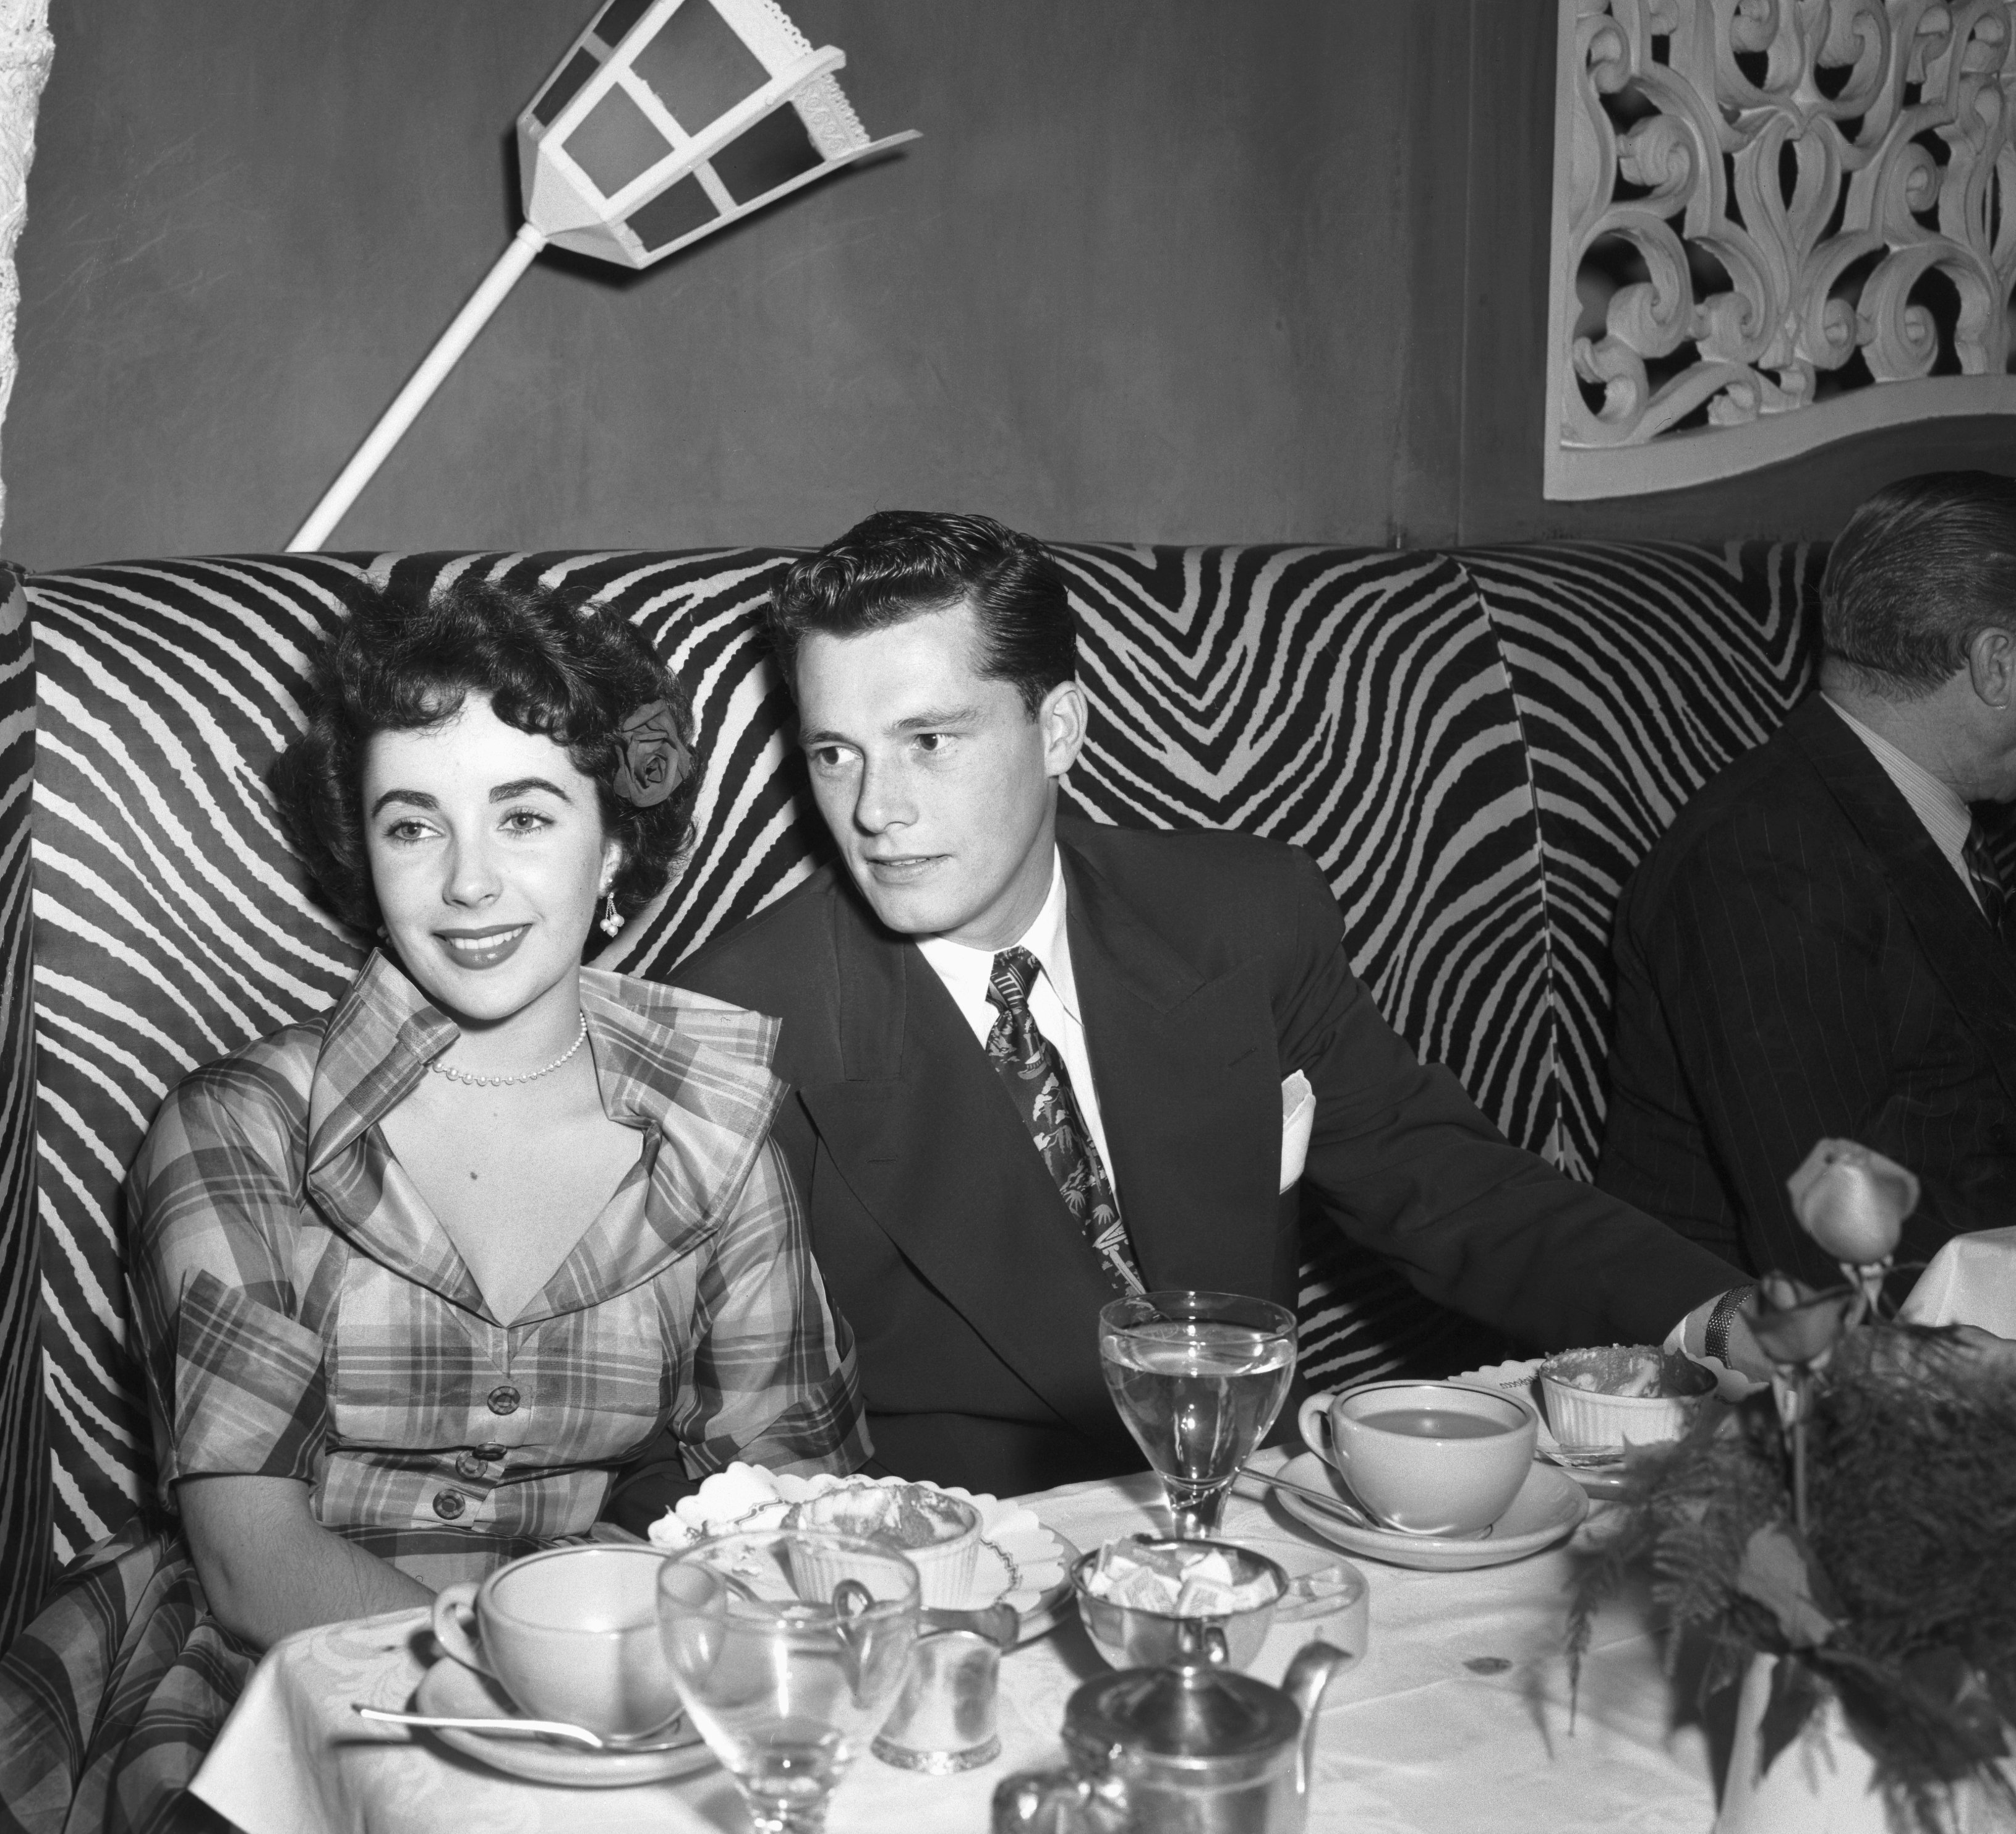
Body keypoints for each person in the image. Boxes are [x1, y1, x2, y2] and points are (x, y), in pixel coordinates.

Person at [0, 568, 863, 1834]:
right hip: (267, 1688)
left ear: (616, 842)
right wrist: (538, 1698)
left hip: (605, 1685)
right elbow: (252, 1555)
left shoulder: (717, 1121)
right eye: (414, 824)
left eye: (524, 817)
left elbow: (783, 1492)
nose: (468, 882)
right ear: (363, 852)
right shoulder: (235, 1125)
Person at [670, 510, 1753, 1496]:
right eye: (835, 755)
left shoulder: (1240, 916)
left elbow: (1448, 1185)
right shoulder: (737, 1027)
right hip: (953, 1554)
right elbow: (707, 1426)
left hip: (1254, 1494)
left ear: (1058, 730)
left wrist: (1714, 1316)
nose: (876, 810)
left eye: (929, 742)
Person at [1598, 471, 2016, 1282]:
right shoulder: (1765, 860)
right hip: (1759, 1382)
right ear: (1995, 663)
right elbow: (1837, 1252)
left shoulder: (1932, 812)